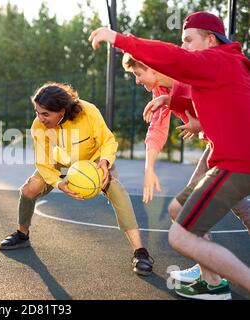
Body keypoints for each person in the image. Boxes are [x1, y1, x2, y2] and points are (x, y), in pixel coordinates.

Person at [89, 11, 250, 299]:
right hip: (229, 157)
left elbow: (174, 58)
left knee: (181, 236)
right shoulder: (227, 62)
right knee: (178, 211)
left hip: (237, 161)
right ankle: (211, 281)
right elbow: (224, 101)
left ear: (210, 40)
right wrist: (171, 99)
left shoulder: (214, 59)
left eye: (189, 40)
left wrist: (120, 39)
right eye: (182, 41)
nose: (184, 46)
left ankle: (223, 283)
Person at [0, 82, 154, 276]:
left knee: (117, 190)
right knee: (28, 189)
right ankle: (22, 234)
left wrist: (105, 161)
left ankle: (140, 252)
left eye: (45, 114)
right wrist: (58, 183)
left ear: (62, 111)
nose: (40, 118)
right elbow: (44, 163)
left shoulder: (88, 112)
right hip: (61, 163)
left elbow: (107, 140)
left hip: (94, 162)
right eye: (37, 112)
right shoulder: (38, 126)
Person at [123, 52, 250, 286]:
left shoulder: (189, 75)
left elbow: (228, 109)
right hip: (217, 146)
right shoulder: (161, 90)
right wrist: (149, 166)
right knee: (194, 208)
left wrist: (201, 124)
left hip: (234, 145)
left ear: (152, 68)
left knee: (196, 208)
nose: (137, 81)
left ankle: (210, 277)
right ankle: (208, 274)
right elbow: (157, 127)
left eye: (138, 74)